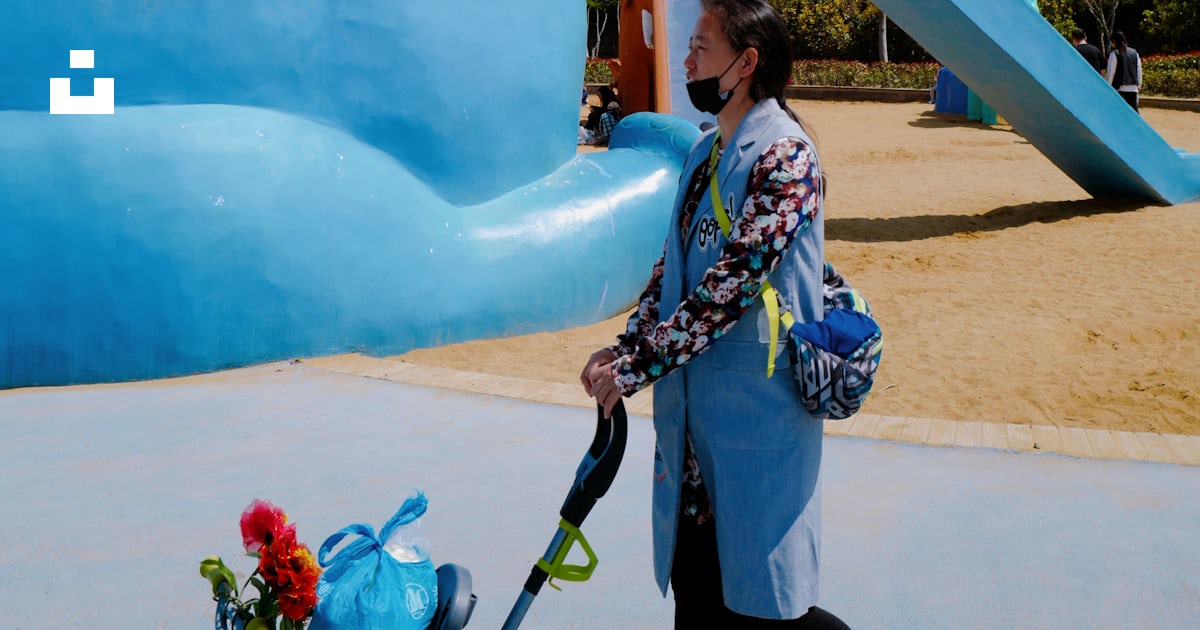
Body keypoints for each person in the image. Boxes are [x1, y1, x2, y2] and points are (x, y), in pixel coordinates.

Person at [579, 1, 850, 627]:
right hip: (692, 435)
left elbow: (732, 286)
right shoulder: (703, 155)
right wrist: (626, 348)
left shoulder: (787, 158)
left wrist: (637, 367)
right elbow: (669, 273)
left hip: (759, 421)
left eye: (701, 47)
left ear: (745, 62)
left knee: (765, 606)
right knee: (698, 596)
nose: (689, 60)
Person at [1106, 31, 1142, 112]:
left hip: (1120, 89)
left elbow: (1111, 73)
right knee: (1134, 115)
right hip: (1133, 89)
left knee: (1119, 114)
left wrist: (1107, 87)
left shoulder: (1115, 53)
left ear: (1114, 42)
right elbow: (1139, 70)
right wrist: (1139, 84)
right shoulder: (1134, 53)